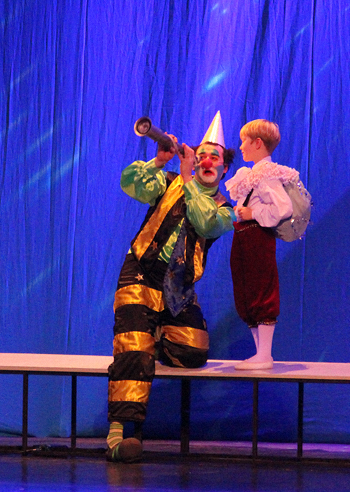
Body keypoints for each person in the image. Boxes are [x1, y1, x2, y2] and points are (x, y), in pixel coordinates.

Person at [106, 112, 235, 462]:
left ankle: (154, 333)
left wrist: (189, 176)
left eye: (214, 158)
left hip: (177, 290)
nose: (206, 161)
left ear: (225, 169)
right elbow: (130, 183)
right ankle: (120, 435)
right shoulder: (168, 182)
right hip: (141, 274)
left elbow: (203, 221)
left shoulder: (224, 210)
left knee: (194, 350)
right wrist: (159, 161)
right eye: (201, 155)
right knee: (134, 347)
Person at [225, 119, 298, 370]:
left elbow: (283, 208)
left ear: (257, 143)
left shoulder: (266, 175)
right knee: (246, 291)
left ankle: (265, 354)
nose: (241, 147)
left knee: (260, 290)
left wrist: (252, 213)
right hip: (245, 237)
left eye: (244, 141)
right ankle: (260, 353)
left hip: (257, 238)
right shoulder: (252, 174)